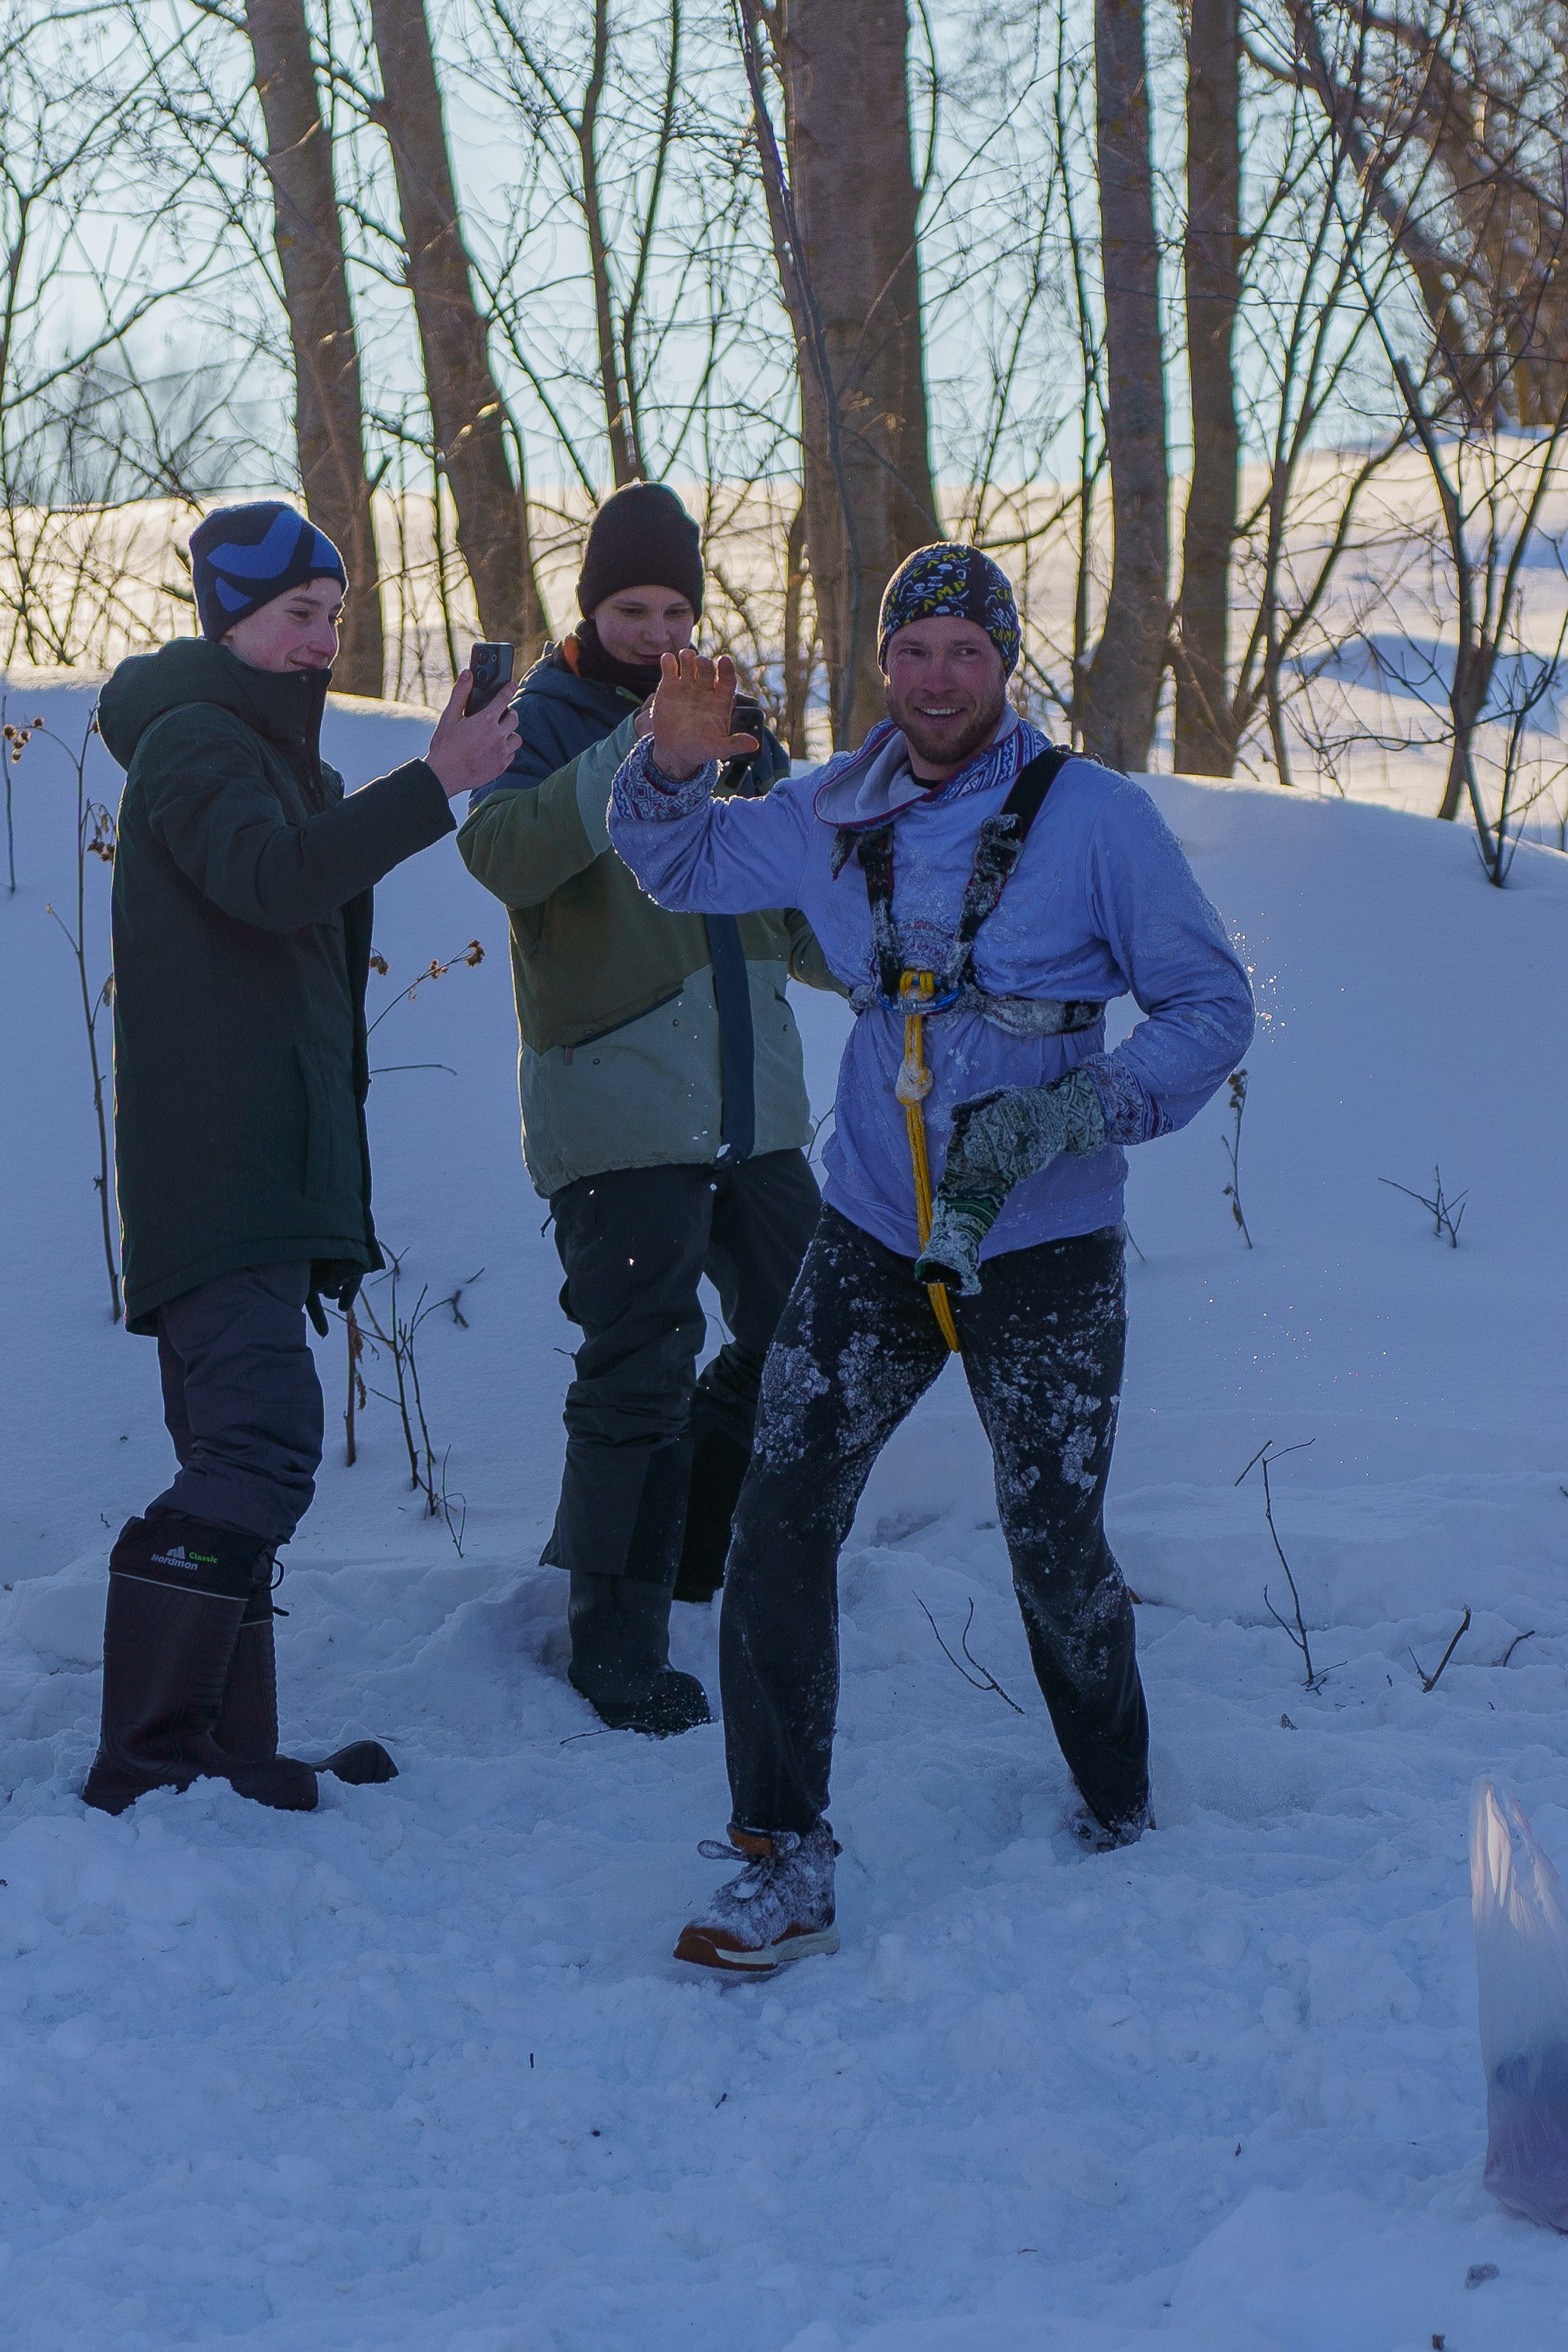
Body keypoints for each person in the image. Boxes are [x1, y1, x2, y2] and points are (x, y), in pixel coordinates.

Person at [608, 541, 1256, 1972]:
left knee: (1053, 1540)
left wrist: (1078, 1109)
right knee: (779, 1511)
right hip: (874, 1229)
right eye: (915, 651)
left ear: (1004, 664)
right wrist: (667, 765)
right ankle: (781, 1855)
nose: (939, 677)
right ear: (881, 665)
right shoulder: (831, 806)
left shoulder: (1094, 818)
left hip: (1046, 1238)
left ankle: (1121, 1805)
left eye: (967, 650)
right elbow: (669, 861)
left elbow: (1212, 1006)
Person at [84, 499, 520, 1816]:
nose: (322, 642)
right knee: (263, 1444)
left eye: (333, 616)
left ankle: (220, 1749)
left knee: (244, 1444)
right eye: (295, 617)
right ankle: (147, 1760)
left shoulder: (274, 758)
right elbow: (271, 885)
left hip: (269, 1169)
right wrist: (434, 783)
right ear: (229, 617)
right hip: (220, 1168)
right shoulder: (196, 744)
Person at [458, 481, 835, 1738]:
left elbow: (792, 899)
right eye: (632, 605)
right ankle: (613, 1640)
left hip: (755, 1101)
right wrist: (650, 747)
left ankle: (689, 1551)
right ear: (591, 604)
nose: (657, 627)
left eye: (676, 605)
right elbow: (502, 857)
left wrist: (911, 951)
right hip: (618, 1107)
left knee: (808, 1336)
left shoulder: (738, 720)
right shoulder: (542, 716)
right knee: (641, 1366)